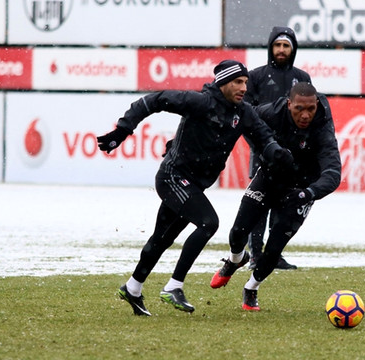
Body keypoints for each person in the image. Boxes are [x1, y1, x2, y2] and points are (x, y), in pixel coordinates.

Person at [96, 60, 295, 316]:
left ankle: (133, 288)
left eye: (245, 82)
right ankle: (173, 286)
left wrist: (277, 153)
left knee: (162, 238)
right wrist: (123, 130)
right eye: (238, 82)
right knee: (208, 223)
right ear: (222, 83)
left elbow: (264, 137)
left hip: (192, 185)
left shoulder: (244, 113)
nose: (244, 87)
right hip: (172, 177)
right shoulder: (200, 102)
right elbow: (154, 100)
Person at [210, 82, 342, 311]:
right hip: (269, 177)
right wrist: (263, 151)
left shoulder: (322, 128)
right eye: (299, 108)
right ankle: (235, 259)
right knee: (238, 231)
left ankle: (251, 288)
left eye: (310, 109)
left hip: (300, 190)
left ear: (317, 105)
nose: (305, 114)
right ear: (289, 104)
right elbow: (242, 120)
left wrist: (308, 193)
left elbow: (333, 172)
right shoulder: (271, 112)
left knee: (274, 248)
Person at [244, 26, 313, 271]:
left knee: (284, 204)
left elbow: (309, 114)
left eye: (286, 46)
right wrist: (258, 144)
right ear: (270, 48)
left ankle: (273, 255)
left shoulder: (302, 77)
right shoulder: (256, 76)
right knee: (258, 204)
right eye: (277, 45)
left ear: (293, 49)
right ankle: (254, 255)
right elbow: (246, 115)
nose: (281, 50)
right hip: (263, 150)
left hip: (292, 154)